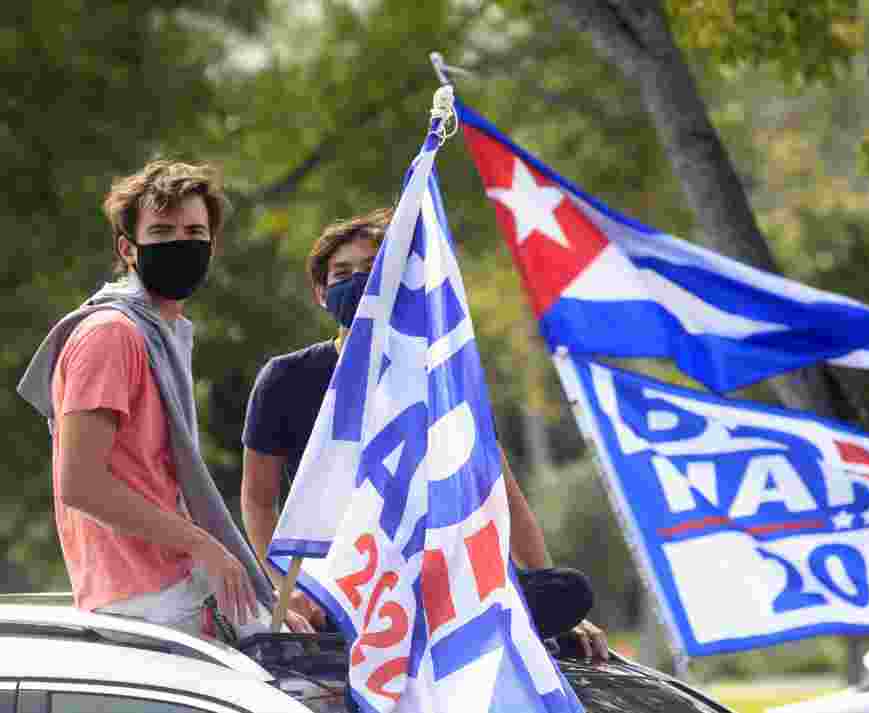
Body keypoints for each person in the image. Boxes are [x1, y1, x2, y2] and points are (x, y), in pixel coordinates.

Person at [242, 209, 610, 659]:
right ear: (321, 293)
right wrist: (286, 590)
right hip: (338, 583)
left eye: (374, 270)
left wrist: (554, 596)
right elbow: (259, 500)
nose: (359, 282)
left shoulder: (444, 378)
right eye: (342, 274)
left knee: (566, 591)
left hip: (434, 575)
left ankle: (430, 626)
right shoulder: (286, 378)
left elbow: (500, 492)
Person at [17, 160, 311, 639]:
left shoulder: (162, 334)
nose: (180, 242)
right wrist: (205, 546)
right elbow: (80, 484)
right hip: (149, 600)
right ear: (127, 249)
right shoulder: (112, 335)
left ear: (212, 246)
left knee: (299, 646)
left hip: (176, 587)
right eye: (162, 231)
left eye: (194, 230)